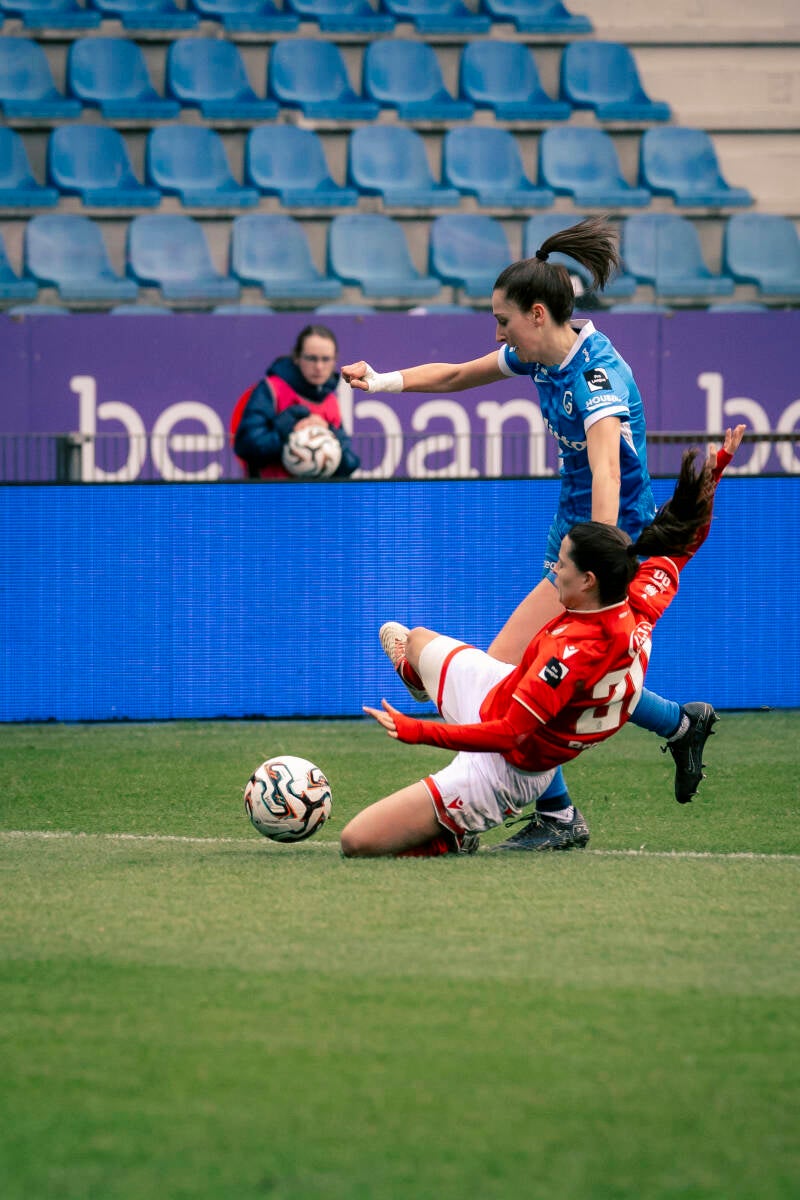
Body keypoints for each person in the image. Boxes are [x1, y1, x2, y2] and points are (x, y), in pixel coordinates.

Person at [341, 216, 713, 851]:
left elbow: (605, 474)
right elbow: (458, 375)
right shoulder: (539, 355)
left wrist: (596, 566)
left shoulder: (597, 378)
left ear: (537, 314)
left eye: (503, 319)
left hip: (606, 545)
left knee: (510, 678)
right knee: (564, 683)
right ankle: (678, 726)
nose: (497, 332)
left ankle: (562, 815)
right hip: (574, 539)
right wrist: (382, 381)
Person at [340, 428, 743, 859]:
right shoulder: (636, 602)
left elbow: (508, 734)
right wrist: (714, 471)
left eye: (563, 563)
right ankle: (429, 695)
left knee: (357, 841)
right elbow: (683, 544)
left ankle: (456, 832)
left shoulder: (570, 653)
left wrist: (414, 730)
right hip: (496, 691)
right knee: (413, 640)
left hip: (507, 767)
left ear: (588, 581)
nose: (556, 569)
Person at [231, 324, 359, 480]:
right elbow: (246, 446)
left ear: (335, 361)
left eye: (326, 359)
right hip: (271, 495)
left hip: (318, 497)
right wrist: (288, 430)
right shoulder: (271, 389)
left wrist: (328, 432)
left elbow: (349, 463)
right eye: (312, 358)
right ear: (297, 358)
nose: (319, 366)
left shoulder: (331, 400)